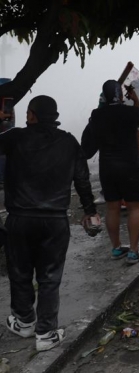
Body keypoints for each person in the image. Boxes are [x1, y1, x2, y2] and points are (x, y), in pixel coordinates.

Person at [0, 96, 98, 352]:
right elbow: (82, 179)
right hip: (54, 221)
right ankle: (46, 333)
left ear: (32, 115)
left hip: (20, 219)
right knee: (50, 277)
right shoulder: (68, 141)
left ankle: (23, 320)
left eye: (28, 112)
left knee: (20, 272)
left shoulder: (15, 138)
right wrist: (89, 211)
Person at [81, 80, 139, 265]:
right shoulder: (131, 112)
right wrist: (135, 101)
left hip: (107, 167)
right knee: (134, 207)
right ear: (120, 94)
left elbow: (91, 137)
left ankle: (116, 248)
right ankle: (133, 251)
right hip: (130, 165)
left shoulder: (97, 115)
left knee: (112, 208)